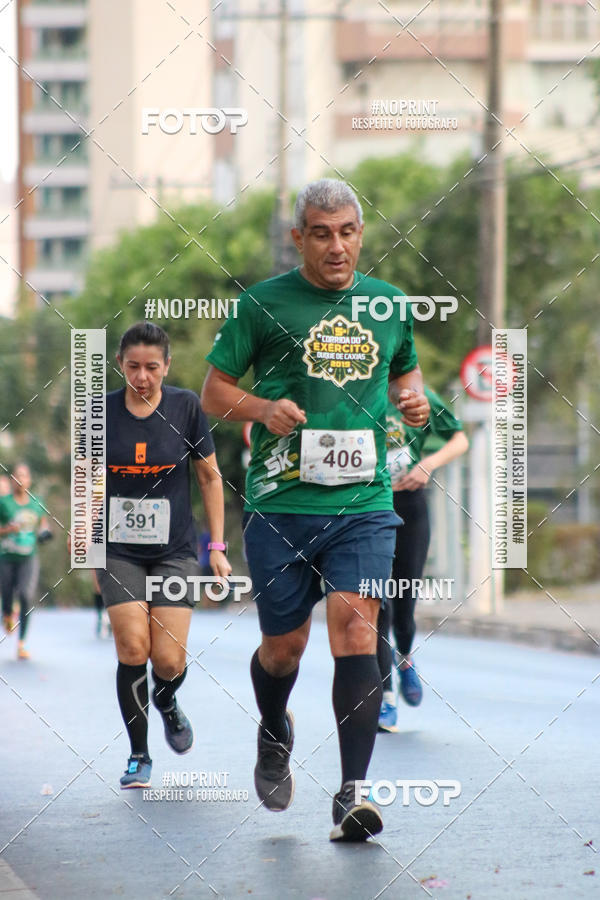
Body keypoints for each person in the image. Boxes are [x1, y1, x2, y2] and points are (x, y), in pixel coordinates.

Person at [202, 178, 430, 842]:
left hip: (364, 501)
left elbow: (405, 373)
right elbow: (215, 392)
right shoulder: (262, 305)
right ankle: (275, 726)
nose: (336, 246)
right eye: (321, 233)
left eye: (347, 231)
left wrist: (412, 402)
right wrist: (262, 410)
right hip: (280, 504)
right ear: (299, 238)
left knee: (356, 631)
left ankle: (353, 793)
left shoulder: (389, 305)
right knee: (284, 648)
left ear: (362, 233)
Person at [96, 322, 231, 789]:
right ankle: (138, 754)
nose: (142, 376)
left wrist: (216, 547)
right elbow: (86, 485)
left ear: (166, 366)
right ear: (119, 365)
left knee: (169, 661)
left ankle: (167, 701)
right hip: (118, 551)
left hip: (175, 550)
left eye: (152, 367)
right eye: (133, 366)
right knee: (132, 646)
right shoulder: (101, 412)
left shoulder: (185, 407)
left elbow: (210, 478)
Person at [377, 388, 469, 732]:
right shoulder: (353, 390)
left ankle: (404, 658)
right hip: (368, 509)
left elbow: (459, 440)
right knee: (375, 603)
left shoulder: (415, 395)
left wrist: (427, 464)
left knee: (403, 602)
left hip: (410, 507)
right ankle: (384, 697)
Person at [0, 463, 51, 659]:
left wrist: (45, 533)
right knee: (6, 593)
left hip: (28, 557)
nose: (20, 479)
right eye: (17, 476)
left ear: (29, 480)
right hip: (6, 557)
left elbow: (43, 525)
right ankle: (6, 614)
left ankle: (21, 643)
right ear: (12, 480)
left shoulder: (36, 502)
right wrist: (7, 530)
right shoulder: (4, 503)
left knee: (25, 594)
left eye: (24, 476)